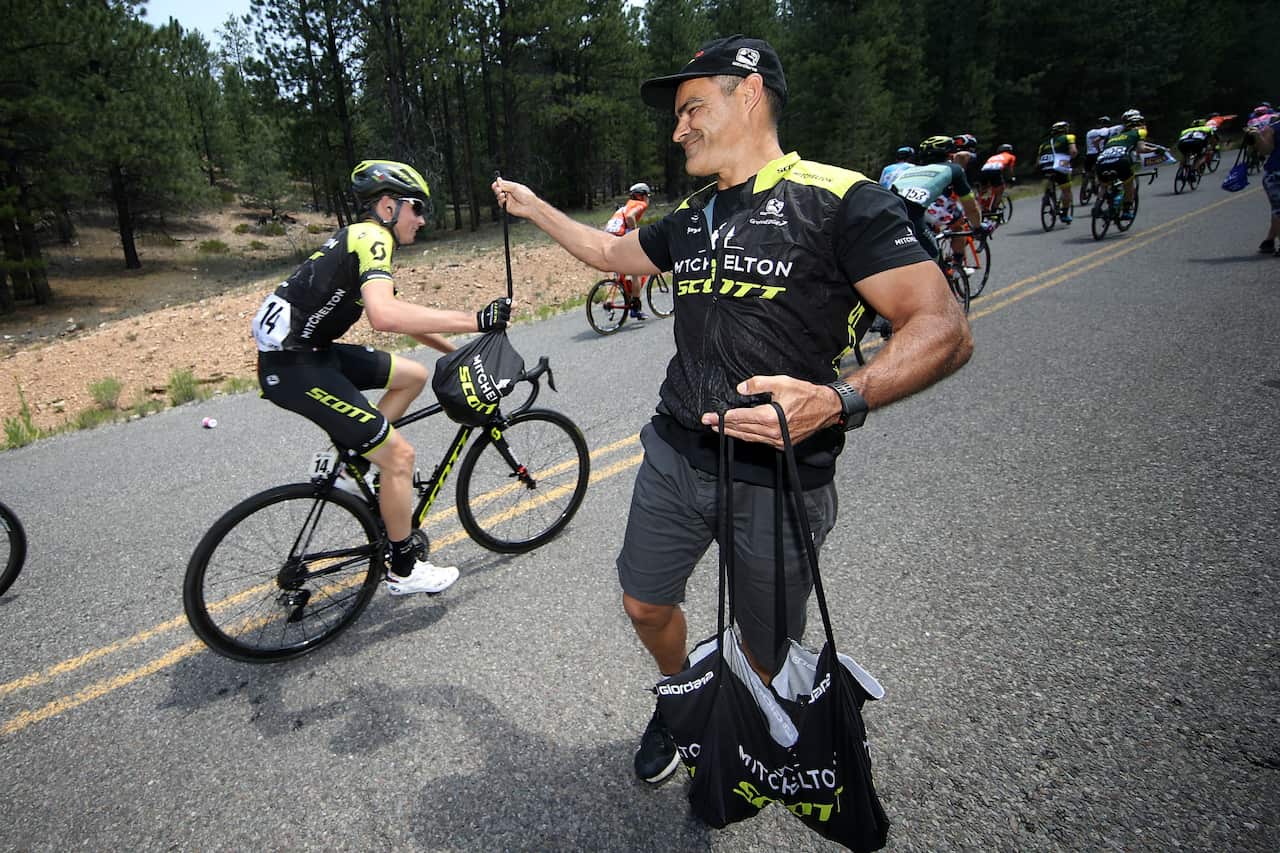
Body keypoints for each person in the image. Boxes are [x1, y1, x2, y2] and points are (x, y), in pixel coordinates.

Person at [491, 34, 972, 786]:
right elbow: (611, 255)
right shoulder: (693, 216)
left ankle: (742, 715)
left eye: (692, 109)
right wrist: (532, 207)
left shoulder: (841, 201)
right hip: (677, 452)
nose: (678, 129)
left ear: (747, 94)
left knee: (764, 647)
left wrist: (840, 399)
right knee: (644, 603)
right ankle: (681, 700)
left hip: (782, 475)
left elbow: (942, 327)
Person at [252, 159, 511, 596]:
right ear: (389, 207)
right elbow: (384, 316)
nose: (422, 219)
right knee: (400, 457)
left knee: (412, 374)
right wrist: (477, 319)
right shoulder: (373, 238)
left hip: (308, 354)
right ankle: (404, 569)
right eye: (417, 208)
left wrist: (458, 352)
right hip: (296, 368)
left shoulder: (359, 237)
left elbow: (403, 317)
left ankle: (358, 462)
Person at [892, 135, 993, 268]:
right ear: (950, 155)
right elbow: (971, 207)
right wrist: (978, 227)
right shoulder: (953, 169)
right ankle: (956, 263)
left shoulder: (910, 170)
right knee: (934, 259)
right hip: (914, 213)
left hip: (889, 210)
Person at [1093, 112, 1157, 220]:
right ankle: (1126, 211)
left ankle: (1097, 206)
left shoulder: (1114, 137)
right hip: (1121, 161)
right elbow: (1141, 149)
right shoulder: (1140, 132)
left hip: (1101, 162)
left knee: (1104, 186)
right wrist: (1155, 150)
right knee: (1129, 184)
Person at [604, 182, 653, 319]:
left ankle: (609, 300)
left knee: (618, 273)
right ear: (642, 196)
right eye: (647, 195)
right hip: (620, 239)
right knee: (636, 272)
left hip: (608, 238)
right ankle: (635, 308)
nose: (648, 199)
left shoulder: (625, 206)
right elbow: (630, 217)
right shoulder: (640, 204)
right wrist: (636, 234)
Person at [1244, 109, 1280, 254]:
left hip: (1274, 173)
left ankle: (1269, 241)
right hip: (1276, 173)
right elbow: (1266, 150)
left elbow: (1265, 150)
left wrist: (1257, 136)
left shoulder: (1273, 128)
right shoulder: (1273, 127)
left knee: (1278, 210)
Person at [1037, 120, 1077, 223]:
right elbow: (1073, 151)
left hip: (1045, 167)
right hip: (1059, 166)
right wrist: (1070, 159)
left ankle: (1047, 195)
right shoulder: (1068, 137)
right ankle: (1064, 214)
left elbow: (1038, 161)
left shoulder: (1043, 144)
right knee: (1066, 190)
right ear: (1065, 130)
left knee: (1050, 178)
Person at [978, 143, 1017, 213]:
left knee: (983, 190)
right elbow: (1009, 169)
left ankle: (980, 205)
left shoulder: (993, 157)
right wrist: (1011, 178)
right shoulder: (1011, 156)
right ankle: (994, 210)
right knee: (1000, 190)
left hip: (983, 171)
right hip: (995, 171)